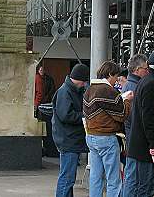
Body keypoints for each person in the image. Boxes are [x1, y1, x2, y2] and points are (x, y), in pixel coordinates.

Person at [84, 61, 134, 197]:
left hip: (91, 136)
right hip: (106, 138)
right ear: (110, 74)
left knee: (95, 176)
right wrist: (127, 100)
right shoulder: (107, 90)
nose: (116, 81)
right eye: (116, 77)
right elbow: (121, 114)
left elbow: (103, 109)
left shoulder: (89, 89)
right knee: (113, 179)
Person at [127, 51, 154, 197]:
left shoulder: (144, 81)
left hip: (138, 145)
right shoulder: (152, 84)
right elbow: (150, 119)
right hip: (146, 148)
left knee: (138, 184)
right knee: (146, 188)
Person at [52, 63, 91, 197]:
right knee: (67, 178)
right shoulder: (65, 92)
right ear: (80, 79)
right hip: (68, 140)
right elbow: (66, 115)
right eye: (84, 81)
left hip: (70, 139)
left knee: (68, 178)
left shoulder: (71, 90)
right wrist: (84, 116)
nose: (85, 84)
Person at [122, 54, 150, 197]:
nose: (148, 71)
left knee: (131, 175)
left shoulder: (129, 85)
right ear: (138, 69)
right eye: (146, 68)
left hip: (130, 136)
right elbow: (134, 116)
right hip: (135, 137)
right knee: (133, 177)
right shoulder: (135, 88)